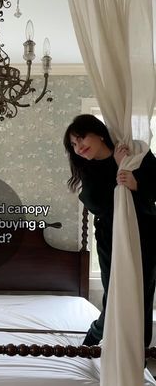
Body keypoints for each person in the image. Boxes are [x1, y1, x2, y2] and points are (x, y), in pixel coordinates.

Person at [63, 113, 156, 348]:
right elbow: (97, 204)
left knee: (141, 298)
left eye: (81, 138)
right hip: (110, 238)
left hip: (144, 235)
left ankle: (138, 358)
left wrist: (137, 184)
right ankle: (91, 341)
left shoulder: (136, 155)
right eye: (73, 145)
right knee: (116, 298)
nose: (78, 147)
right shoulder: (89, 169)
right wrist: (117, 168)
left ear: (100, 134)